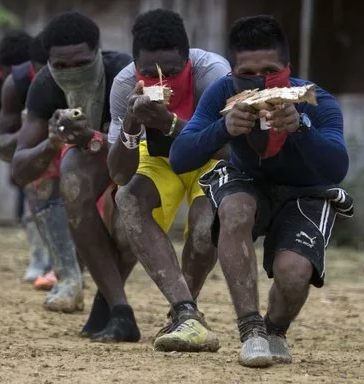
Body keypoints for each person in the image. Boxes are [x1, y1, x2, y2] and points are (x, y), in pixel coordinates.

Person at [169, 15, 353, 367]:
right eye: (248, 73)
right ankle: (250, 329)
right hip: (246, 178)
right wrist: (223, 128)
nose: (262, 81)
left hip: (305, 190)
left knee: (294, 274)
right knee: (234, 210)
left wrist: (301, 129)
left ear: (288, 68)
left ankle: (274, 330)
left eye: (271, 69)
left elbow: (337, 167)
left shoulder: (316, 100)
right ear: (232, 72)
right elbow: (180, 156)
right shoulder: (223, 93)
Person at [106, 9, 230, 350]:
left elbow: (231, 150)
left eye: (172, 71)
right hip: (159, 160)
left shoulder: (213, 74)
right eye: (148, 71)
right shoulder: (122, 85)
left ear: (188, 59)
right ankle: (185, 311)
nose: (160, 78)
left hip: (208, 158)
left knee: (206, 228)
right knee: (128, 198)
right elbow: (118, 174)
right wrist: (131, 125)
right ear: (135, 65)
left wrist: (170, 123)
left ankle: (185, 316)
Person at [11, 12, 135, 331]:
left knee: (129, 222)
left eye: (80, 63)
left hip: (136, 156)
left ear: (97, 51)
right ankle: (118, 307)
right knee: (73, 182)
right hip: (88, 159)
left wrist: (92, 139)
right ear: (49, 61)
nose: (70, 72)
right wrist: (52, 143)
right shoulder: (44, 84)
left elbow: (143, 149)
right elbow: (20, 169)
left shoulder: (123, 72)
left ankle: (107, 301)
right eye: (60, 66)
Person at [0, 33, 60, 289]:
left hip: (73, 148)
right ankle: (39, 258)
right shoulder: (17, 84)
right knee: (36, 198)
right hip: (36, 148)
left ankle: (63, 265)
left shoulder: (82, 79)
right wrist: (26, 140)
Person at [0, 29, 32, 158]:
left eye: (18, 77)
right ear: (0, 71)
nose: (13, 84)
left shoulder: (42, 82)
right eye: (9, 76)